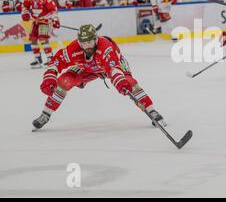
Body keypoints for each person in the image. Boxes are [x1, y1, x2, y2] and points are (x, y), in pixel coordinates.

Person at [32, 25, 166, 130]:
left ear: (96, 39)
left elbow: (113, 68)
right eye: (83, 43)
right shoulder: (74, 48)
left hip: (112, 66)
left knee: (130, 83)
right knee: (64, 81)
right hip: (87, 67)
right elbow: (56, 61)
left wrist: (120, 81)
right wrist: (49, 77)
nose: (86, 46)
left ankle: (152, 111)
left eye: (89, 42)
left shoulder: (105, 47)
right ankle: (45, 114)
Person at [22, 0, 60, 68]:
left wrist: (55, 19)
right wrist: (25, 14)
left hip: (44, 21)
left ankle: (50, 58)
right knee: (32, 39)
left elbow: (53, 9)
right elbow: (25, 7)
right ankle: (37, 59)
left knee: (43, 39)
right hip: (35, 21)